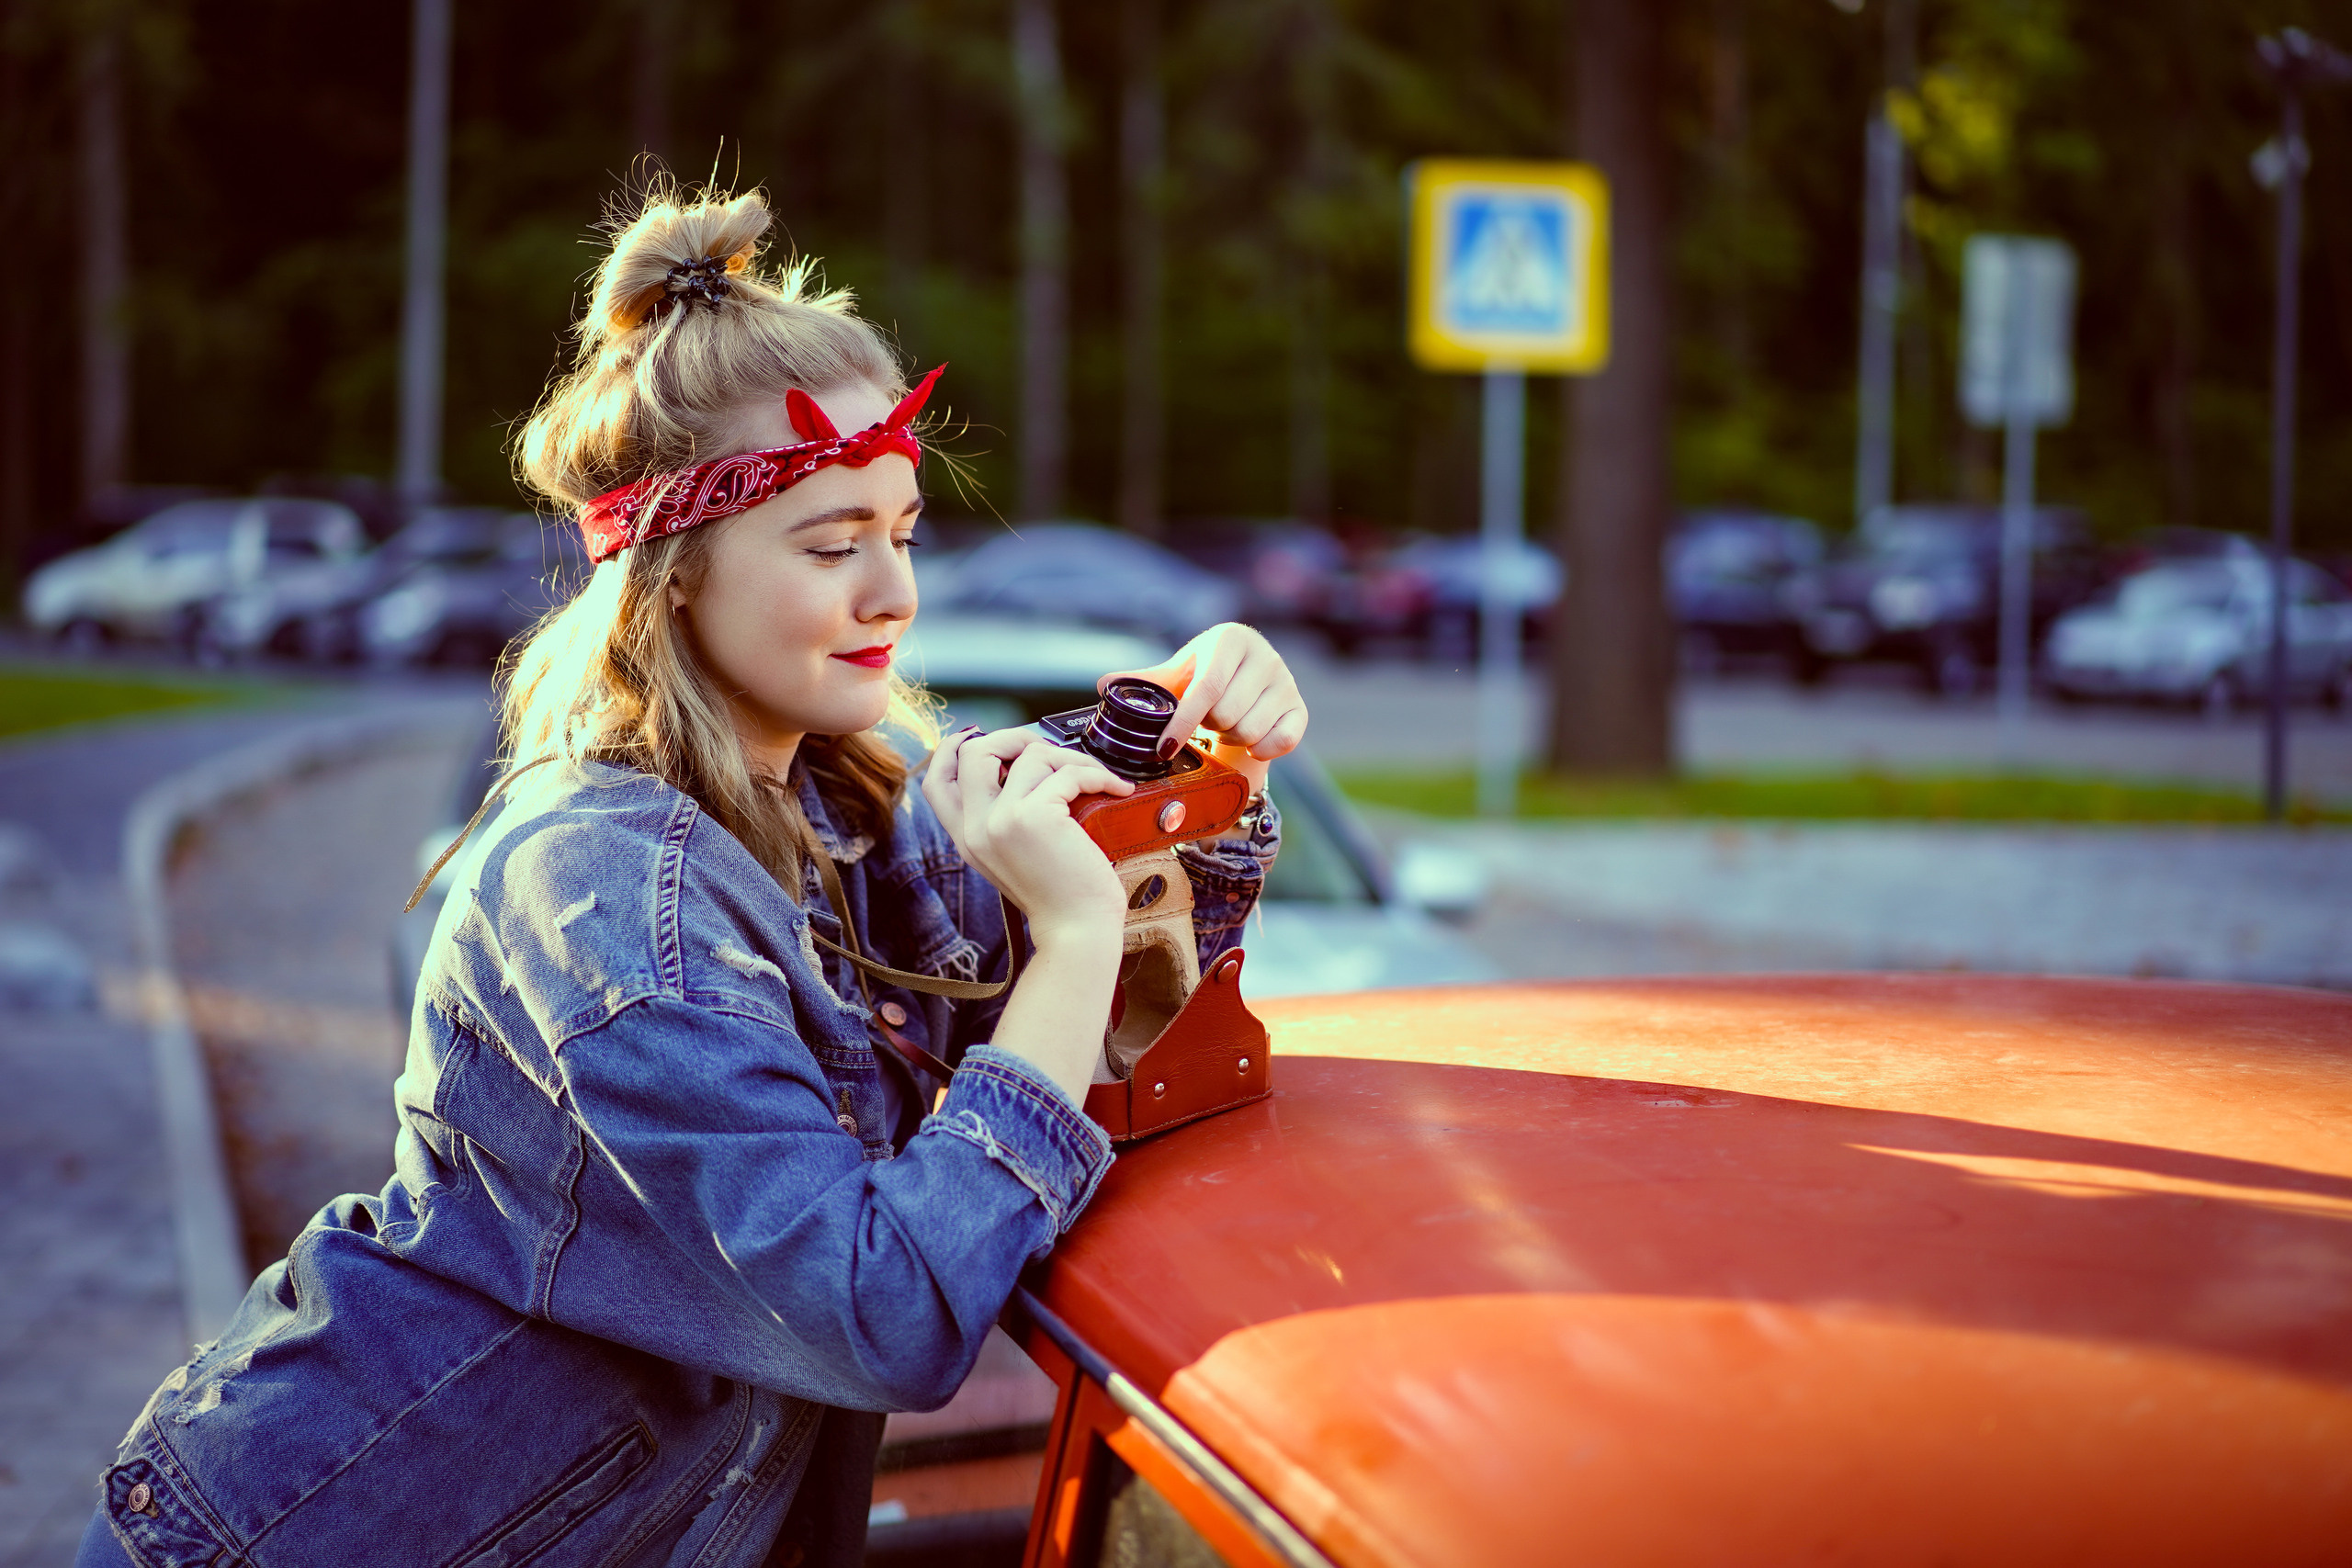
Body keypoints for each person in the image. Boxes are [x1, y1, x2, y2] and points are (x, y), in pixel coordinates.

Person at [80, 184, 1306, 1568]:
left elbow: (1103, 1022)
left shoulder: (842, 813)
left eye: (903, 534)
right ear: (671, 574)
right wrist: (1077, 939)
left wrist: (1197, 762)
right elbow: (886, 1311)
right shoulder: (603, 895)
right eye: (833, 545)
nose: (894, 595)